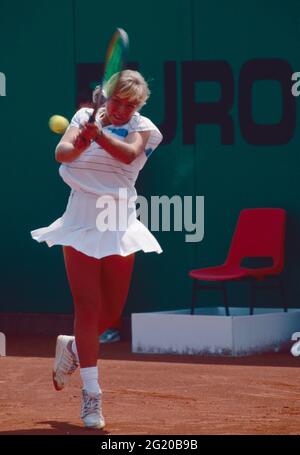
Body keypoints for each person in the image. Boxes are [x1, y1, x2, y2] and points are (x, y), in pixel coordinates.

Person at [31, 70, 163, 429]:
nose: (122, 109)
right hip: (80, 218)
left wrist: (99, 136)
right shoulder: (82, 118)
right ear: (106, 98)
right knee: (87, 307)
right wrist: (84, 138)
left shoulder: (146, 128)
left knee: (110, 315)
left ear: (139, 105)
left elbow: (127, 154)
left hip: (118, 222)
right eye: (116, 101)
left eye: (130, 103)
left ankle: (73, 348)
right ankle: (92, 396)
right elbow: (62, 153)